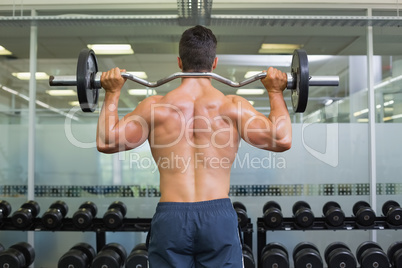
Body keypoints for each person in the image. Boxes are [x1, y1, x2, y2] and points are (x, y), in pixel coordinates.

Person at [96, 25, 292, 268]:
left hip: (171, 217)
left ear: (179, 62)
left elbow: (106, 142)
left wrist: (112, 93)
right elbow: (282, 139)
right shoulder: (232, 106)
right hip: (218, 216)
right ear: (215, 63)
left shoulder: (155, 107)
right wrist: (275, 91)